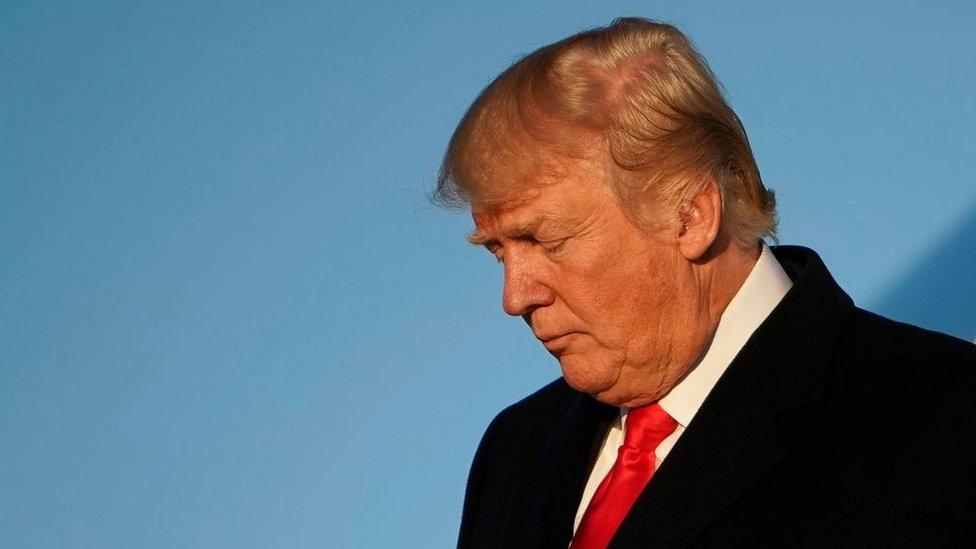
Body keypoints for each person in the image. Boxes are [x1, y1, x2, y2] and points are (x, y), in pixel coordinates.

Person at [435, 17, 976, 548]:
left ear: (691, 215)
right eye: (498, 253)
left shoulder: (942, 415)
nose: (515, 297)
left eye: (549, 242)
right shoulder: (516, 453)